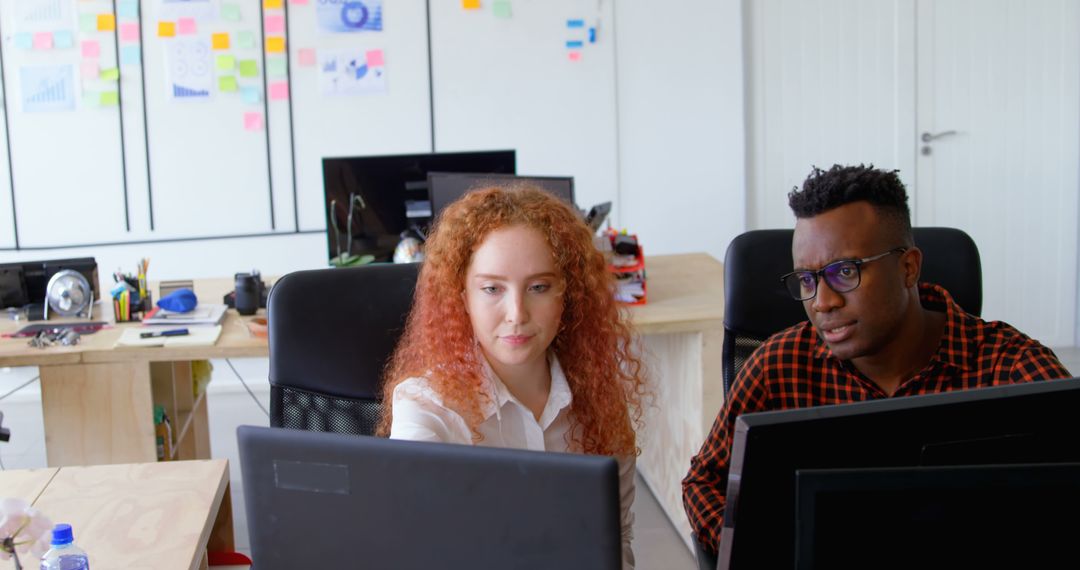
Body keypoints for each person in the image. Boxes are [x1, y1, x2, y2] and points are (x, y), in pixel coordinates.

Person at [683, 164, 1072, 555]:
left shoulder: (1010, 369)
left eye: (845, 271)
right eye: (806, 279)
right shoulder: (778, 366)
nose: (822, 302)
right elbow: (705, 482)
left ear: (908, 267)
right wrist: (770, 555)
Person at [377, 185, 646, 568]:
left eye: (539, 287)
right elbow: (419, 548)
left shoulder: (599, 398)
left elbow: (617, 537)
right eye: (491, 288)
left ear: (567, 295)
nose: (517, 313)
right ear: (461, 296)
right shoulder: (424, 406)